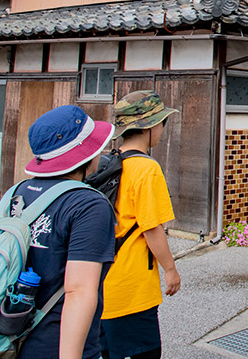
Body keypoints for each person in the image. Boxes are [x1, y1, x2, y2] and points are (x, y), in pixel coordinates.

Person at [17, 105, 116, 359]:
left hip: (11, 338)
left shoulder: (17, 193)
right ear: (83, 154)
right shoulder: (88, 205)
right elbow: (78, 292)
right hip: (58, 344)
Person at [99, 90, 181, 359]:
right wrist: (170, 269)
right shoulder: (147, 169)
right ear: (149, 126)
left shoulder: (109, 163)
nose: (161, 130)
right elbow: (151, 228)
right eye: (161, 123)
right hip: (132, 290)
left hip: (103, 283)